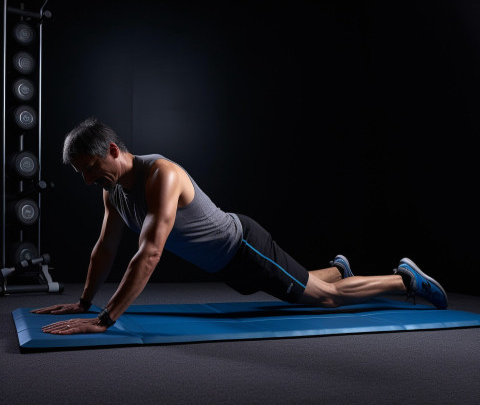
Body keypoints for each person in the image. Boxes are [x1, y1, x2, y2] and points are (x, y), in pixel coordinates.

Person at [33, 118, 448, 335]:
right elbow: (104, 248)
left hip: (245, 248)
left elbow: (151, 251)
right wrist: (84, 302)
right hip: (229, 267)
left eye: (90, 169)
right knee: (300, 288)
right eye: (81, 175)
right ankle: (339, 269)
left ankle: (404, 281)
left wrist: (104, 320)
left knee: (324, 301)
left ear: (111, 150)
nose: (88, 180)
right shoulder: (112, 191)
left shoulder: (162, 175)